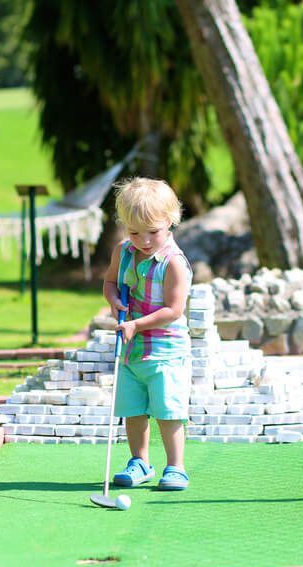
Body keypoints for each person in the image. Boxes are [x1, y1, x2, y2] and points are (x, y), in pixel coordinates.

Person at [102, 177, 191, 491]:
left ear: (169, 221)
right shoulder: (124, 251)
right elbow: (110, 283)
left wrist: (136, 324)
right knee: (133, 409)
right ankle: (140, 462)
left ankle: (175, 467)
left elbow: (174, 310)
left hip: (165, 350)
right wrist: (114, 302)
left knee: (167, 410)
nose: (144, 240)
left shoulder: (174, 264)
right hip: (130, 349)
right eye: (134, 232)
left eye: (152, 232)